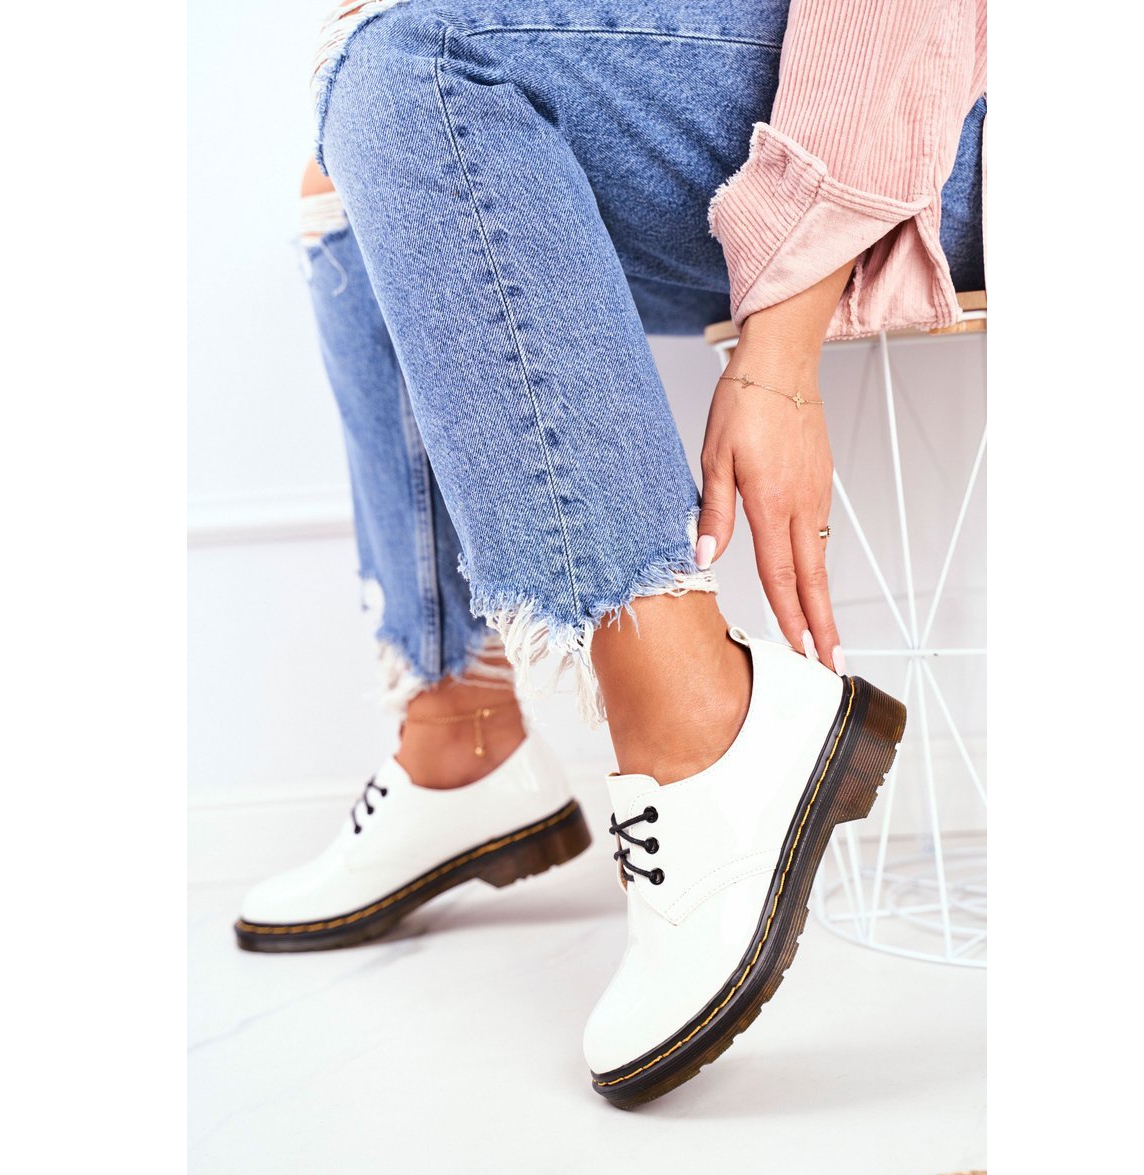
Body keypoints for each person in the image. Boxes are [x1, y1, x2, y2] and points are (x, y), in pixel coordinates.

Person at [235, 0, 986, 1109]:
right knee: (346, 167)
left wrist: (778, 358)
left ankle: (701, 721)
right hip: (822, 115)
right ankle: (459, 731)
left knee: (412, 61)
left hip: (965, 110)